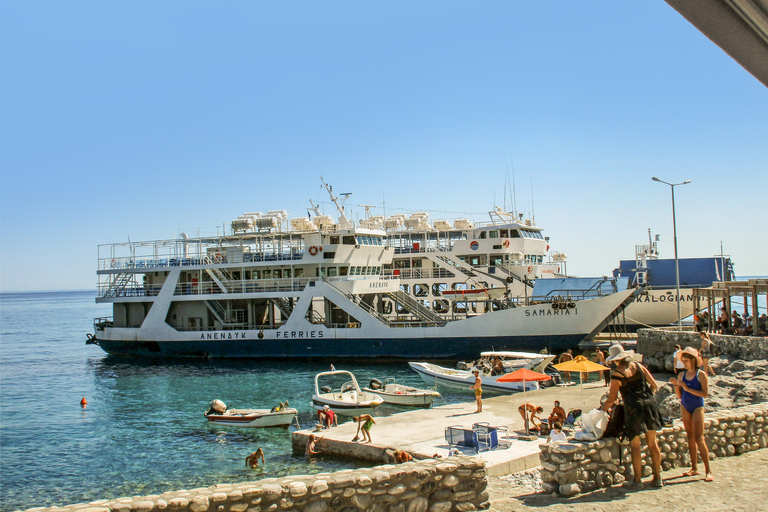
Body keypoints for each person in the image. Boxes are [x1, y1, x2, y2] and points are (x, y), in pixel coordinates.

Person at [600, 344, 664, 489]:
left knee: (635, 446)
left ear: (615, 360)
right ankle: (658, 478)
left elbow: (612, 399)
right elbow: (654, 385)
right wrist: (647, 398)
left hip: (633, 409)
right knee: (653, 444)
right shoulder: (639, 367)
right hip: (649, 405)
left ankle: (637, 480)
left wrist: (600, 411)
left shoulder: (617, 374)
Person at [669, 347, 714, 482]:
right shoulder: (682, 375)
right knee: (690, 438)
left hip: (697, 406)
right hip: (685, 405)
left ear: (693, 360)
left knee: (699, 438)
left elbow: (704, 394)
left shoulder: (701, 375)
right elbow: (680, 395)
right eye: (683, 361)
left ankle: (708, 470)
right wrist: (677, 385)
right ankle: (694, 467)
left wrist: (687, 388)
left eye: (686, 360)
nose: (684, 363)